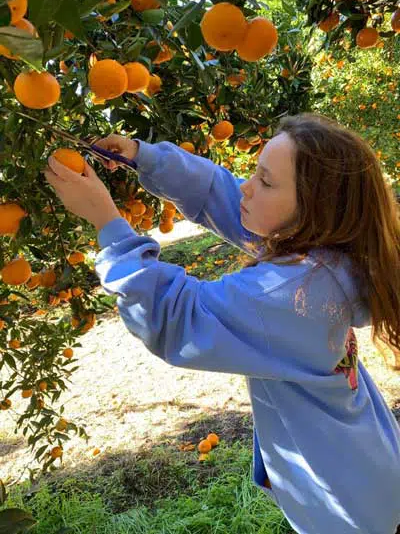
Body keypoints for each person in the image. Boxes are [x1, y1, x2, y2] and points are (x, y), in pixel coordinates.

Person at [44, 112, 400, 534]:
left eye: (266, 182)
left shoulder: (295, 294)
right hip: (368, 472)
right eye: (256, 173)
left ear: (314, 209)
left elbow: (174, 317)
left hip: (348, 507)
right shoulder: (329, 253)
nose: (248, 186)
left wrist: (108, 223)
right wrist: (145, 158)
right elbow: (226, 196)